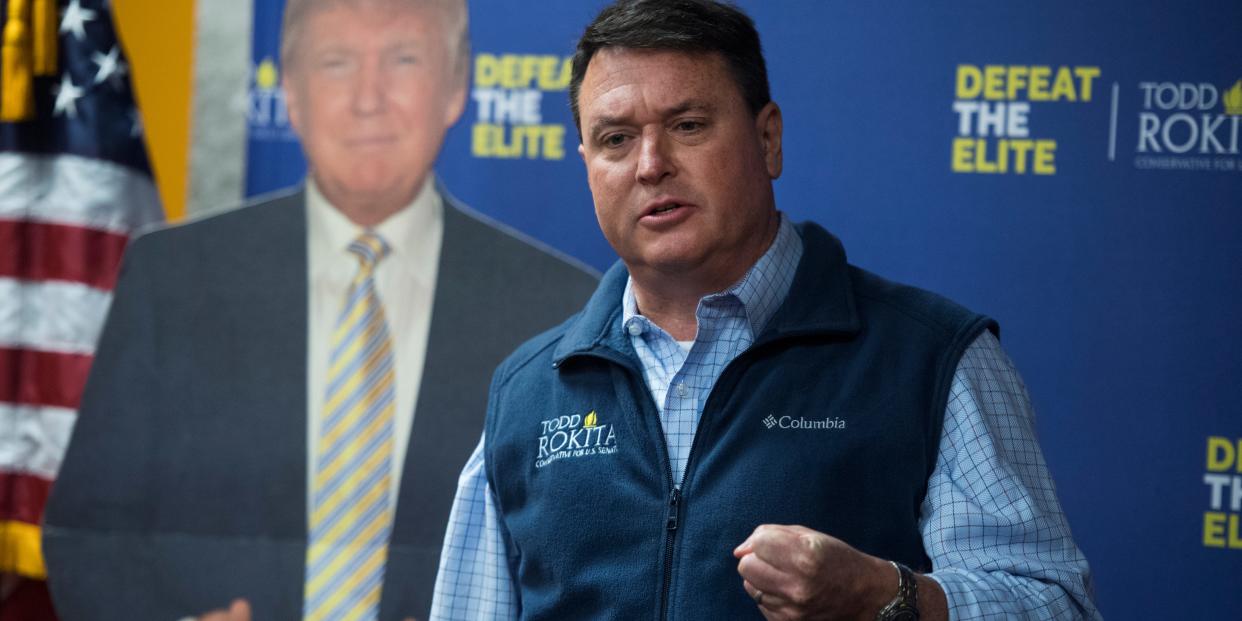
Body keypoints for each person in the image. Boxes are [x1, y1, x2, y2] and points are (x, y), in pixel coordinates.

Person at [430, 1, 1101, 619]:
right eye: (615, 140)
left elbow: (1054, 604)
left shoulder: (930, 358)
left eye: (687, 125)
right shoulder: (528, 392)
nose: (650, 164)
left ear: (769, 139)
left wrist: (889, 596)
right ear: (586, 164)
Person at [40, 1, 597, 620]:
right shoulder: (170, 277)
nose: (368, 98)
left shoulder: (559, 308)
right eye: (336, 63)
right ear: (291, 92)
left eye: (403, 59)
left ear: (456, 84)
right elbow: (86, 534)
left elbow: (585, 562)